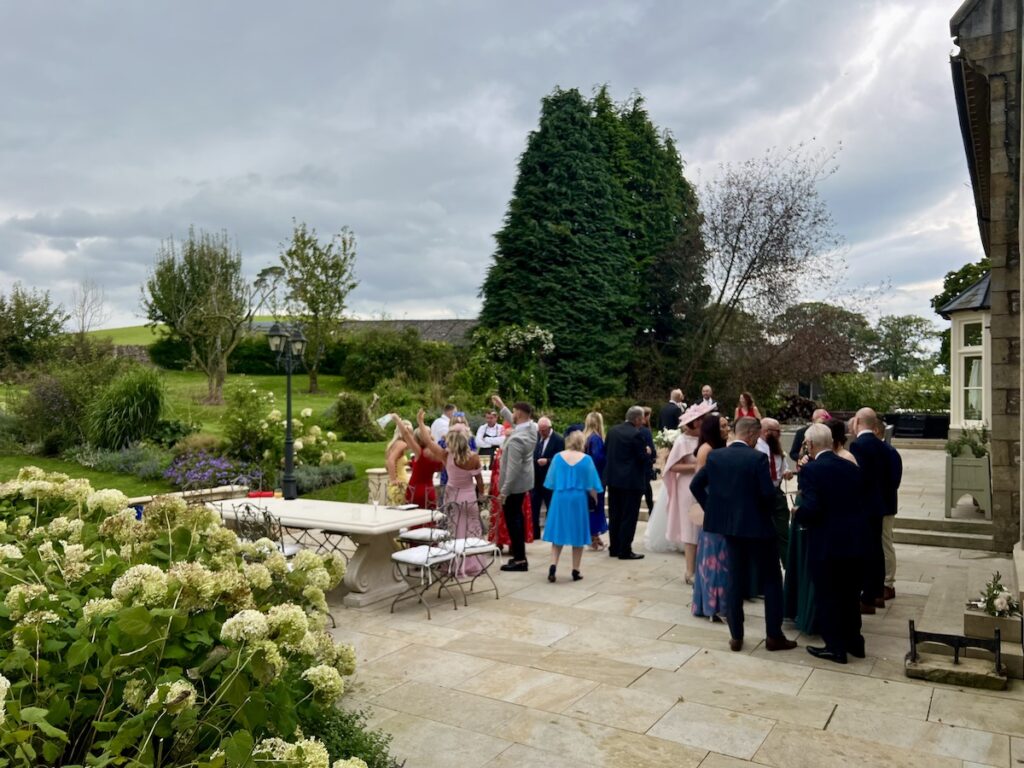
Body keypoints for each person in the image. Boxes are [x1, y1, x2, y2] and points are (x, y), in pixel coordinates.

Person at [691, 417, 797, 653]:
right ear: (751, 435)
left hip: (730, 528)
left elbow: (696, 485)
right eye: (757, 436)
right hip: (758, 528)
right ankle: (773, 636)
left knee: (734, 579)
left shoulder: (717, 457)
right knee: (771, 580)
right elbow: (768, 494)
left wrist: (714, 510)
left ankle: (736, 636)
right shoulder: (756, 458)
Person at [794, 424, 869, 664]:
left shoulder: (812, 471)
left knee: (827, 595)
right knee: (849, 594)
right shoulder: (851, 467)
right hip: (855, 540)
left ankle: (835, 647)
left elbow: (813, 508)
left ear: (812, 445)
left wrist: (798, 512)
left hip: (827, 543)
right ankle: (855, 642)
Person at [416, 411, 486, 575]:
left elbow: (427, 440)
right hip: (469, 497)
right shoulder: (474, 458)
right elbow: (480, 482)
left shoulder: (445, 455)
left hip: (452, 497)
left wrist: (420, 422)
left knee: (454, 532)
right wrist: (482, 497)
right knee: (471, 530)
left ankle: (455, 564)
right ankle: (472, 564)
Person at [645, 403, 709, 571]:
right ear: (695, 422)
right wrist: (697, 467)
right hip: (687, 485)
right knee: (691, 523)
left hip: (706, 484)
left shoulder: (706, 439)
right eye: (703, 419)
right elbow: (672, 467)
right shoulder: (682, 441)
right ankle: (690, 569)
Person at [849, 407, 894, 614]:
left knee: (867, 552)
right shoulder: (885, 447)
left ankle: (867, 597)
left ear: (858, 422)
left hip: (865, 506)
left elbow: (860, 477)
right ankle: (877, 594)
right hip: (881, 505)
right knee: (877, 550)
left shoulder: (858, 445)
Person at [543, 430, 603, 583]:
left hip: (560, 497)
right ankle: (575, 570)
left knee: (558, 531)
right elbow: (593, 485)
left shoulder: (557, 457)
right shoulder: (587, 459)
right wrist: (595, 501)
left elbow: (550, 482)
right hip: (578, 499)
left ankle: (552, 565)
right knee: (578, 533)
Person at [493, 394, 537, 572]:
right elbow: (515, 421)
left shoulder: (519, 439)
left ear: (519, 414)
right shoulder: (530, 428)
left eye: (514, 412)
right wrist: (502, 406)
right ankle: (519, 557)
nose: (512, 415)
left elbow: (513, 469)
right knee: (515, 519)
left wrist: (504, 491)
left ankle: (520, 560)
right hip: (523, 483)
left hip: (515, 485)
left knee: (514, 521)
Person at [692, 414, 730, 619]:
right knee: (713, 559)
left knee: (720, 558)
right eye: (722, 426)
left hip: (721, 511)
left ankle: (714, 602)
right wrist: (709, 507)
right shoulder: (707, 449)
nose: (727, 428)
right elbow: (699, 483)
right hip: (713, 512)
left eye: (727, 425)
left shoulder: (723, 447)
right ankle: (711, 604)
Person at [603, 406, 650, 560]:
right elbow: (641, 458)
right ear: (637, 419)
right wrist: (648, 452)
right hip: (631, 482)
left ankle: (614, 547)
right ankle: (625, 549)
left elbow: (606, 451)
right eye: (642, 418)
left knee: (615, 515)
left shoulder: (612, 431)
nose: (643, 421)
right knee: (629, 516)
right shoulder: (636, 435)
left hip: (614, 480)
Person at [487, 430, 535, 552]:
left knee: (513, 515)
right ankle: (499, 541)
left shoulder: (518, 451)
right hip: (501, 486)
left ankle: (513, 543)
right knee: (500, 516)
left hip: (514, 487)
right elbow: (495, 472)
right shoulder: (501, 451)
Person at [755, 417, 791, 564]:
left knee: (783, 531)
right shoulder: (756, 447)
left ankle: (788, 564)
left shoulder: (777, 448)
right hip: (761, 493)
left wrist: (787, 472)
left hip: (777, 491)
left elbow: (784, 467)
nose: (779, 434)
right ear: (765, 432)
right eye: (776, 431)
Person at [388, 414, 443, 508]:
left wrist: (397, 420)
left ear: (417, 439)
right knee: (430, 519)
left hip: (416, 491)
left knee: (414, 519)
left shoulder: (419, 452)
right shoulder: (437, 452)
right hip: (430, 490)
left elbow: (405, 434)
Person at [875, 419, 902, 602]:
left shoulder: (890, 452)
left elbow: (894, 481)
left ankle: (888, 583)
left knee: (886, 543)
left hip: (885, 506)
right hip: (880, 505)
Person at [531, 416, 564, 537]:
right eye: (540, 430)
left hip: (550, 478)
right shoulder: (537, 437)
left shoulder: (559, 440)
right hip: (536, 478)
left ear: (549, 428)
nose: (541, 432)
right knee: (534, 507)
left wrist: (548, 461)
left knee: (551, 507)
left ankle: (551, 532)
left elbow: (561, 458)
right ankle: (535, 533)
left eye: (543, 430)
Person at [583, 412, 608, 550]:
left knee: (590, 507)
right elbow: (598, 459)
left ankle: (595, 536)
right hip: (596, 478)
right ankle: (593, 537)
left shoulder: (584, 437)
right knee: (596, 507)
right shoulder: (596, 439)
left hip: (585, 478)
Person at [384, 419, 414, 505]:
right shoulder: (402, 444)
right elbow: (391, 461)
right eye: (409, 433)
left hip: (394, 484)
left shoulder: (392, 444)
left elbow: (388, 464)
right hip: (401, 483)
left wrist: (406, 463)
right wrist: (394, 479)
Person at [640, 407, 657, 514]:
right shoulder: (645, 431)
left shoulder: (641, 429)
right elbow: (651, 447)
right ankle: (651, 509)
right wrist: (653, 456)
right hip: (645, 463)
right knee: (647, 488)